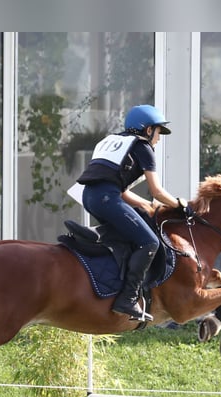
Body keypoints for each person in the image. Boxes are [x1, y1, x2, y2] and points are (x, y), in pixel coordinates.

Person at [77, 104, 188, 322]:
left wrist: (149, 206)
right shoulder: (143, 147)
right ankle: (127, 298)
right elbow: (157, 190)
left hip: (92, 197)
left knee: (130, 235)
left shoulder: (111, 141)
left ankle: (107, 268)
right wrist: (178, 203)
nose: (158, 138)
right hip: (108, 199)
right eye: (158, 132)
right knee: (149, 243)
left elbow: (123, 191)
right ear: (148, 130)